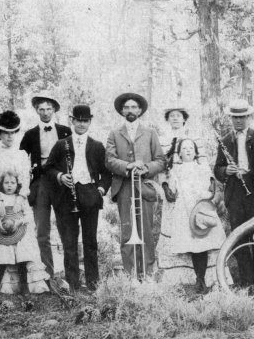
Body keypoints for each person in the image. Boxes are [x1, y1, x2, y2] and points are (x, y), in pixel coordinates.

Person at [0, 111, 48, 294]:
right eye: (6, 133)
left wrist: (21, 197)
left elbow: (25, 179)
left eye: (13, 132)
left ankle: (26, 286)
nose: (10, 136)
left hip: (19, 201)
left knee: (23, 239)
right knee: (1, 243)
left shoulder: (21, 154)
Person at [45, 105, 110, 292]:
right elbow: (48, 168)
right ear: (72, 121)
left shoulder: (97, 146)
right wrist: (60, 176)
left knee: (90, 241)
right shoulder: (61, 144)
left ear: (90, 122)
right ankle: (73, 284)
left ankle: (92, 283)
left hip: (90, 194)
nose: (81, 124)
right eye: (78, 120)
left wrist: (101, 189)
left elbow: (106, 174)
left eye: (85, 120)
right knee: (69, 241)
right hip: (67, 196)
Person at [105, 92, 166, 278]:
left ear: (140, 110)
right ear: (122, 111)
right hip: (124, 187)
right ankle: (130, 273)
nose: (130, 110)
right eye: (127, 107)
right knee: (127, 230)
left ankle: (147, 272)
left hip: (145, 186)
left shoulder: (150, 133)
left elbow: (161, 160)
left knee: (146, 230)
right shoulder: (115, 133)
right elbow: (109, 160)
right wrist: (128, 166)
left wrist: (145, 168)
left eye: (134, 107)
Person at [158, 139, 225, 292]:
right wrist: (166, 181)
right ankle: (198, 280)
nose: (188, 150)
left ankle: (205, 280)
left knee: (203, 244)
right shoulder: (175, 171)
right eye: (184, 148)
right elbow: (171, 194)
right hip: (184, 211)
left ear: (195, 152)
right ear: (179, 153)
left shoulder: (203, 168)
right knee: (193, 246)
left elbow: (211, 188)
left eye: (190, 148)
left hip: (201, 208)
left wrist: (209, 194)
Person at [19, 93, 71, 285]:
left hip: (61, 182)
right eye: (41, 109)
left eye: (49, 109)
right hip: (40, 183)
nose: (45, 112)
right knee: (42, 230)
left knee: (66, 228)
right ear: (36, 111)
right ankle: (46, 274)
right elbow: (20, 159)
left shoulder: (66, 131)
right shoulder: (30, 134)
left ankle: (69, 274)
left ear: (55, 110)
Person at [213, 99, 254, 287]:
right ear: (231, 118)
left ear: (249, 117)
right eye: (235, 117)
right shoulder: (226, 140)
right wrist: (225, 171)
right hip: (235, 194)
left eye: (242, 117)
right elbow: (217, 168)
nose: (238, 121)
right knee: (238, 237)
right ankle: (246, 282)